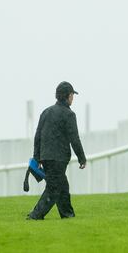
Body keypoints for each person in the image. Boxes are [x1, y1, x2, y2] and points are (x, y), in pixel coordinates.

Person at [27, 81, 87, 220]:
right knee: (54, 189)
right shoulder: (69, 115)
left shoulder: (46, 112)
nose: (73, 98)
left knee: (62, 186)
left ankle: (67, 215)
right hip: (59, 158)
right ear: (68, 95)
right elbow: (74, 139)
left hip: (45, 157)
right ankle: (35, 215)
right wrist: (82, 158)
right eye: (72, 94)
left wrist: (37, 157)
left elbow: (38, 137)